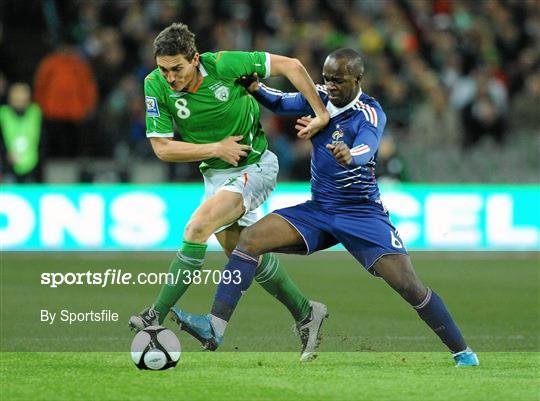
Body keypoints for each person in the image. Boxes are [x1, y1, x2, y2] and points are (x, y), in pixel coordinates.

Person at [172, 48, 480, 367]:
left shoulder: (369, 111)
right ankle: (215, 326)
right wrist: (256, 89)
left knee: (408, 285)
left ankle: (462, 352)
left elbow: (368, 145)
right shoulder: (317, 97)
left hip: (361, 214)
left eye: (338, 80)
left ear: (358, 79)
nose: (330, 85)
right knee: (249, 240)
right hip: (319, 211)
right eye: (327, 78)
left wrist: (351, 154)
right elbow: (280, 101)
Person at [128, 23, 332, 361]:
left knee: (196, 228)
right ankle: (306, 312)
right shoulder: (154, 85)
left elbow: (292, 66)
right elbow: (163, 149)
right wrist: (216, 148)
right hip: (217, 174)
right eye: (163, 69)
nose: (170, 77)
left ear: (195, 59)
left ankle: (154, 315)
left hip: (255, 167)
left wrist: (320, 113)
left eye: (177, 68)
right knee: (245, 251)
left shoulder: (225, 64)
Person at [0, 82, 43, 183]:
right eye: (17, 98)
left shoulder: (35, 113)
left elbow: (43, 141)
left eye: (23, 97)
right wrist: (5, 154)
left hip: (32, 166)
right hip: (8, 168)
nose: (20, 101)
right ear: (10, 98)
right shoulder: (3, 114)